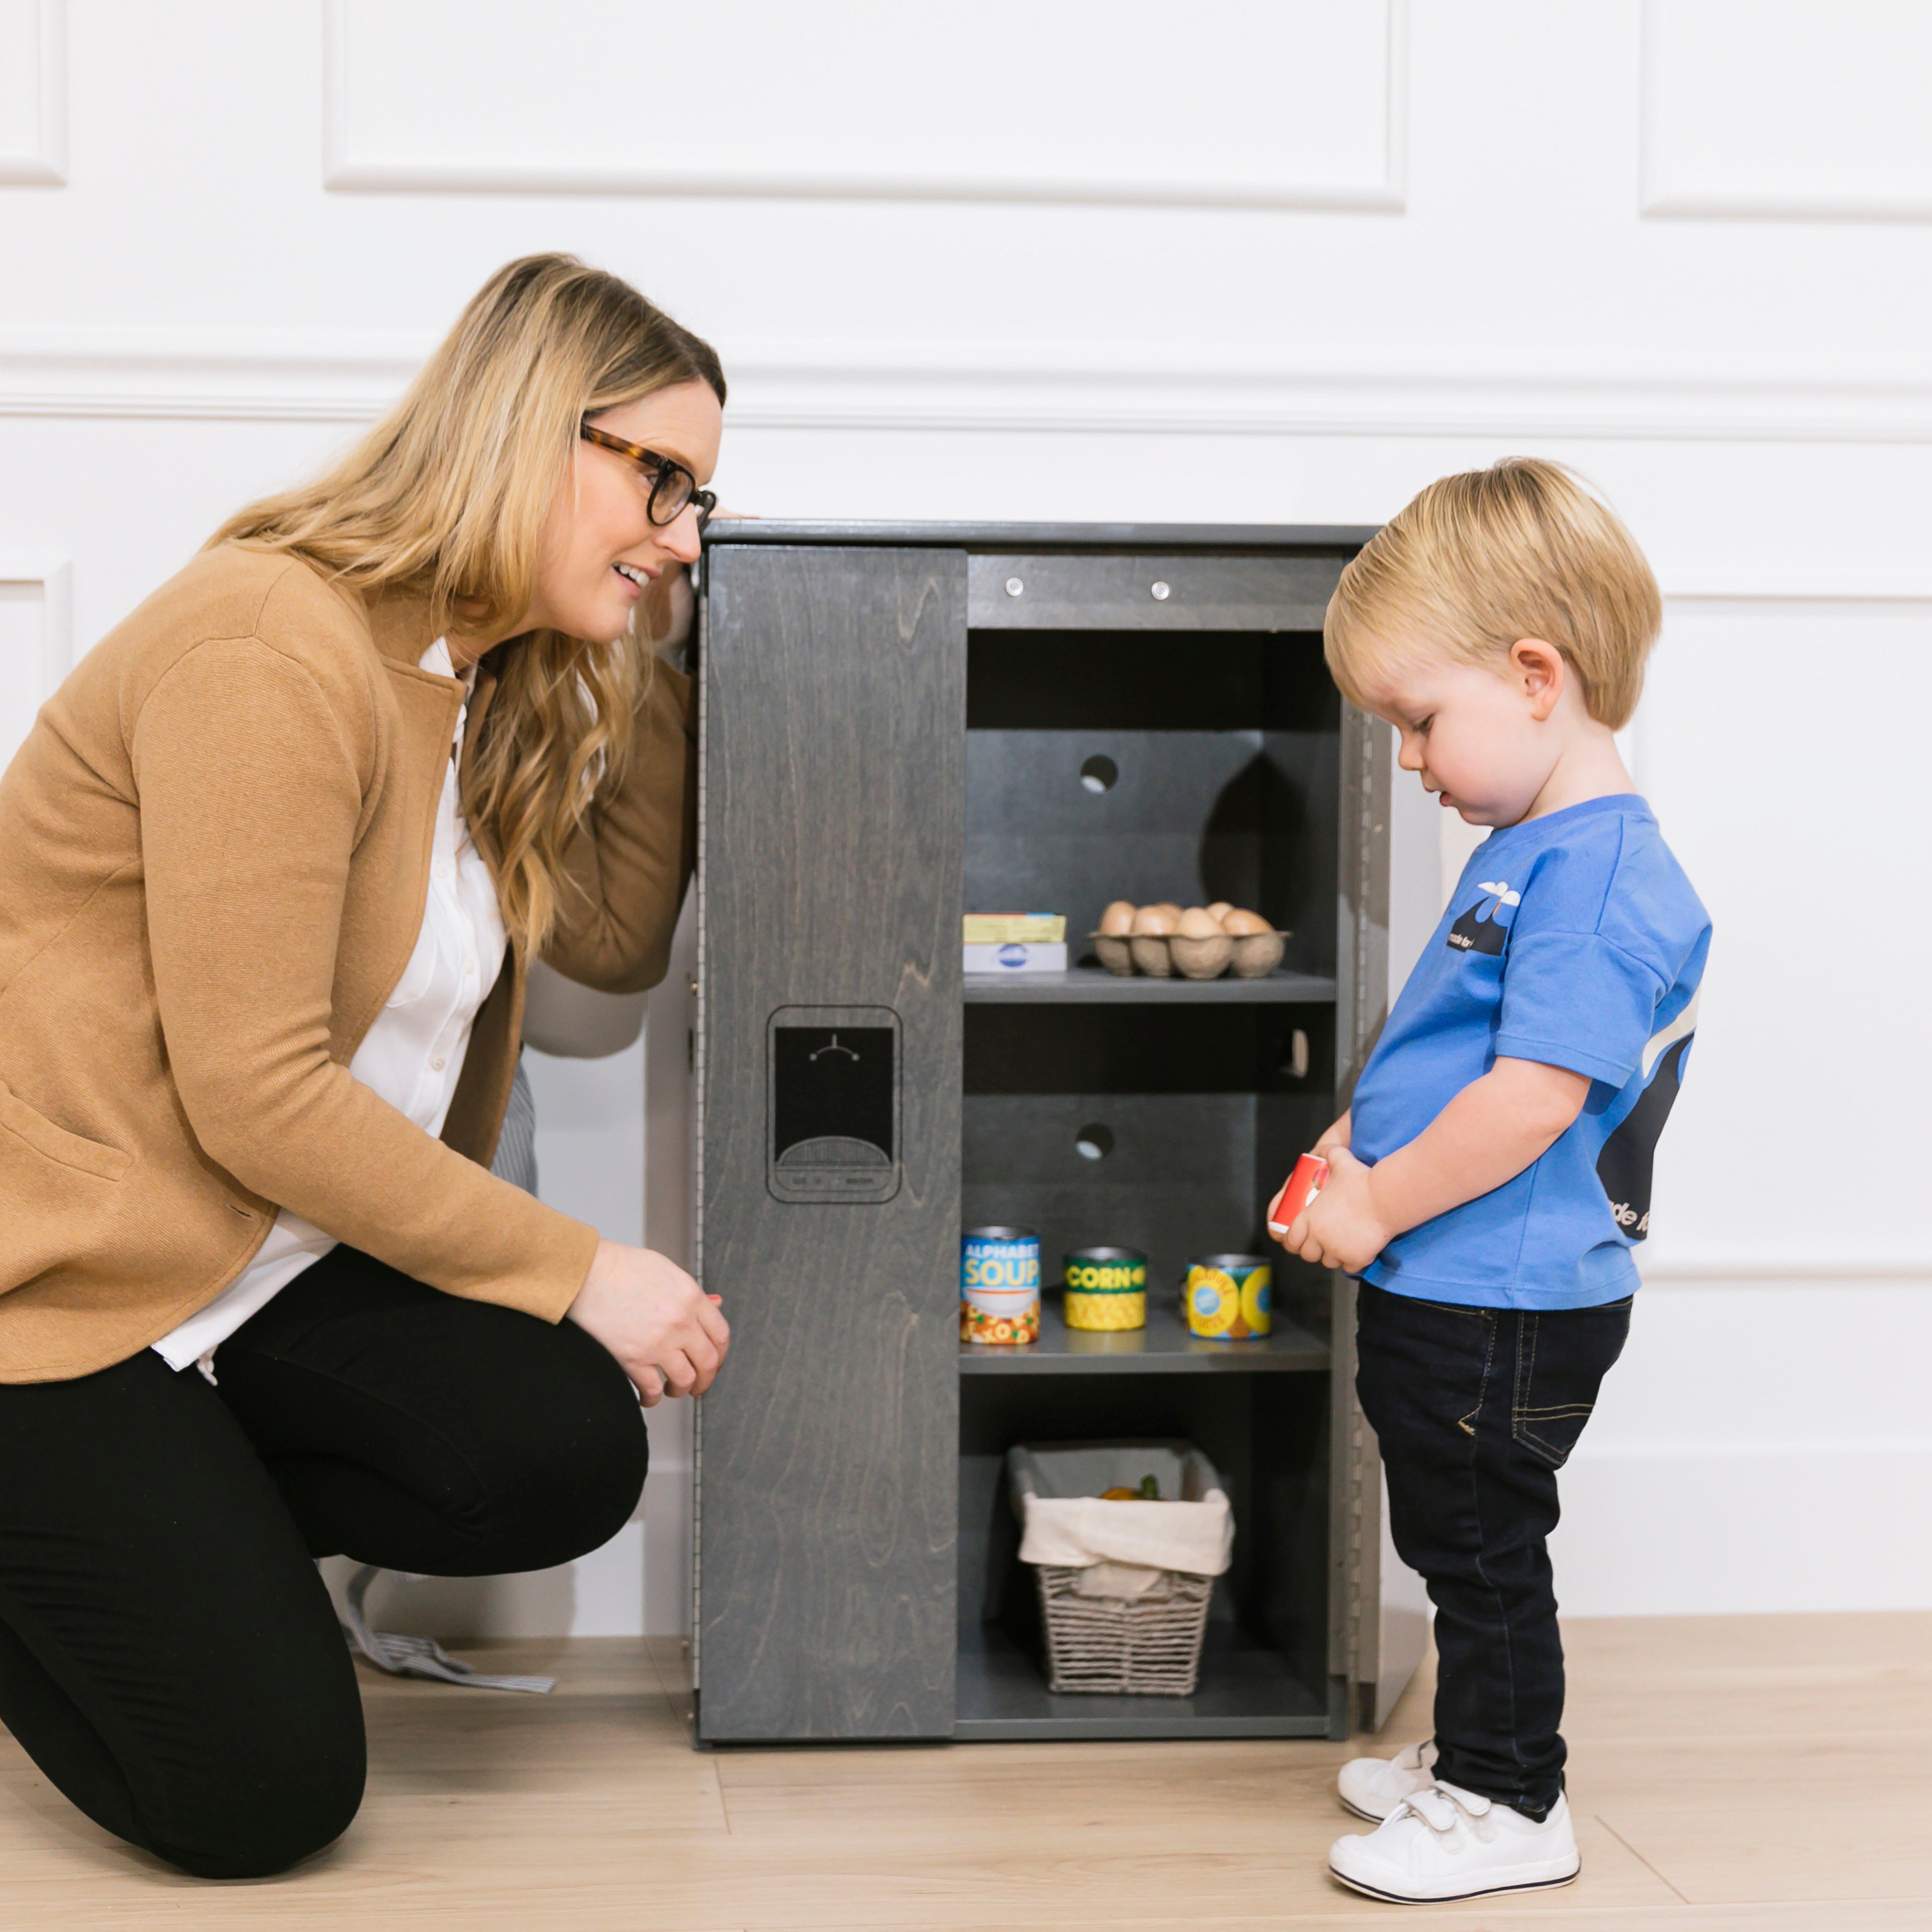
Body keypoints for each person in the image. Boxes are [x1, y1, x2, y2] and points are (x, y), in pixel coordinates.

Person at [0, 254, 732, 1878]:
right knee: (261, 1802)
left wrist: (662, 647)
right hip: (56, 1291)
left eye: (702, 502)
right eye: (659, 478)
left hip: (246, 1273)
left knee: (557, 1446)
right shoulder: (271, 645)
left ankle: (159, 1539)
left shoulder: (481, 685)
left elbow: (614, 945)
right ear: (529, 424)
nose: (682, 529)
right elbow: (257, 1091)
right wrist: (577, 1265)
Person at [1275, 459, 1710, 1905]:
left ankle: (1513, 1799)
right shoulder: (1541, 848)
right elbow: (1455, 1051)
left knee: (1477, 1550)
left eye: (1419, 720)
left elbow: (1530, 1101)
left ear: (1536, 675)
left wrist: (1383, 1203)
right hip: (1457, 1278)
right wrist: (1363, 1144)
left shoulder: (1590, 880)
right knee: (1450, 1531)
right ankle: (1477, 1751)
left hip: (1496, 1293)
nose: (1409, 759)